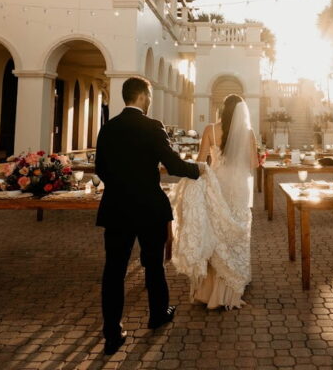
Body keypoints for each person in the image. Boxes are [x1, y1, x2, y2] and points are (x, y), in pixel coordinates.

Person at [95, 76, 205, 355]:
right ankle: (157, 314)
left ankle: (112, 333)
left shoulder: (108, 128)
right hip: (149, 208)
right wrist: (199, 169)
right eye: (150, 96)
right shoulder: (153, 126)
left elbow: (100, 169)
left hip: (116, 207)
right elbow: (173, 165)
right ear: (143, 96)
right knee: (154, 264)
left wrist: (120, 186)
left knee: (114, 270)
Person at [171, 94, 258, 309]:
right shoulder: (248, 132)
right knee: (236, 231)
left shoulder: (210, 129)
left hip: (216, 185)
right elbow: (254, 164)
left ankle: (210, 289)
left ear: (223, 109)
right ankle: (233, 280)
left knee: (217, 230)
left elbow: (201, 162)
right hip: (239, 187)